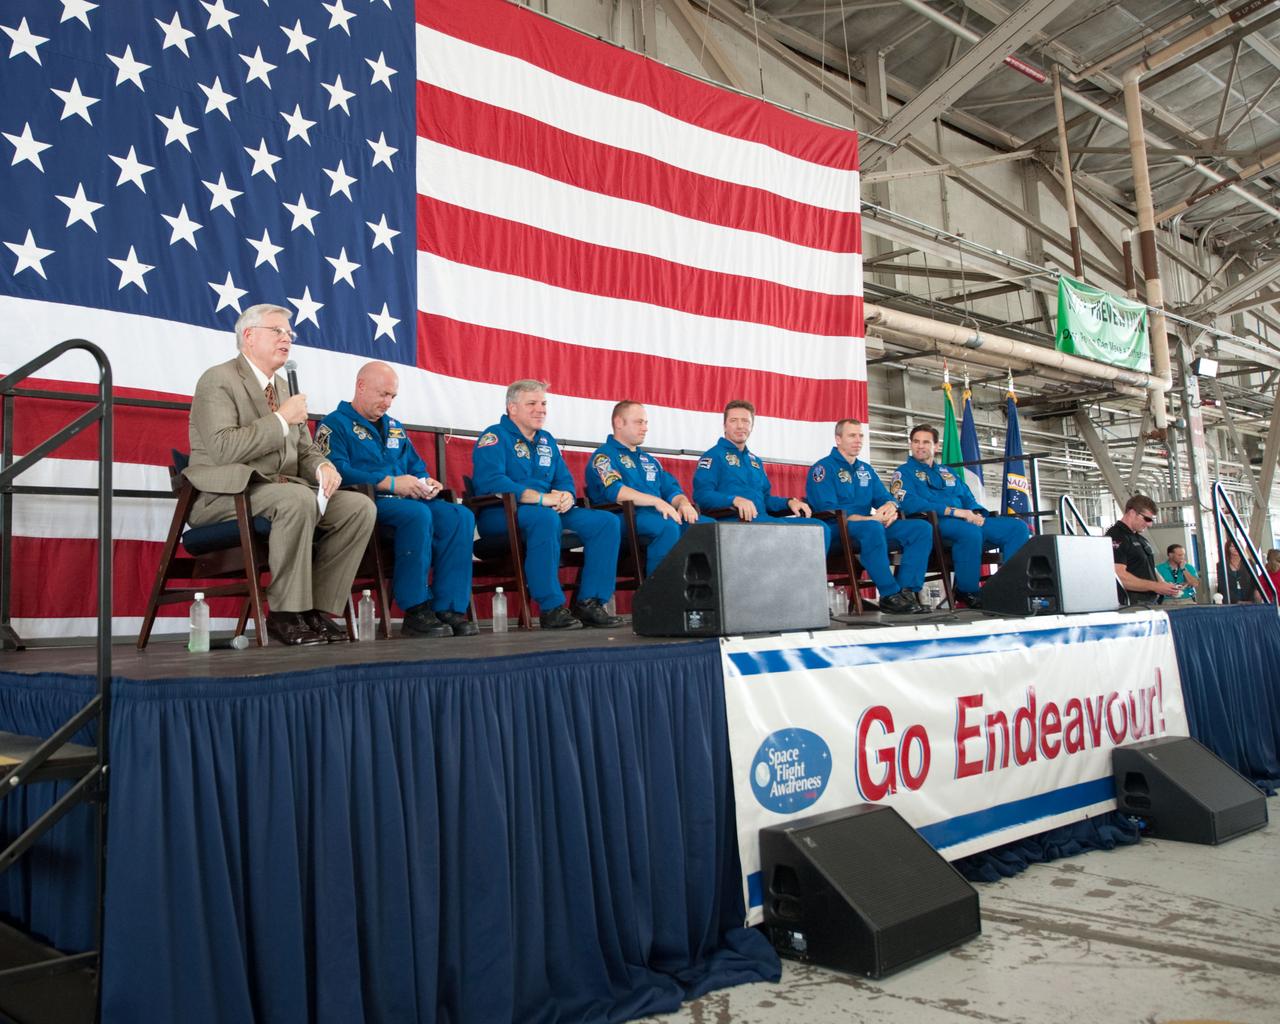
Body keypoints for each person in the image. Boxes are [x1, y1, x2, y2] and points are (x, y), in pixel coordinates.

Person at [185, 304, 376, 645]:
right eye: (277, 331)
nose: (287, 337)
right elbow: (223, 449)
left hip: (281, 490)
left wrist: (323, 466)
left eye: (289, 333)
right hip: (227, 495)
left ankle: (315, 609)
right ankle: (286, 613)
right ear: (248, 336)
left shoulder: (285, 390)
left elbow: (304, 450)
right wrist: (280, 419)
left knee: (358, 508)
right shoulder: (219, 379)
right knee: (297, 499)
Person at [317, 362, 478, 638]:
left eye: (393, 396)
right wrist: (390, 483)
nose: (388, 402)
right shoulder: (334, 424)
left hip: (408, 501)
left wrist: (427, 481)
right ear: (361, 386)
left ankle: (448, 608)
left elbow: (415, 466)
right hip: (367, 503)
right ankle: (415, 608)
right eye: (383, 394)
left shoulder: (395, 427)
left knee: (460, 515)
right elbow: (335, 469)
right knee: (417, 515)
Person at [471, 380, 623, 629]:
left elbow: (563, 479)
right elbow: (492, 482)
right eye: (532, 403)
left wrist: (566, 496)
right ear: (513, 408)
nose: (541, 409)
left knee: (606, 522)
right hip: (503, 513)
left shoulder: (547, 440)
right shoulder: (495, 436)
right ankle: (551, 607)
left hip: (548, 509)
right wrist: (541, 499)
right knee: (545, 519)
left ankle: (590, 602)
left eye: (543, 403)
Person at [891, 424, 1029, 608]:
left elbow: (967, 497)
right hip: (933, 524)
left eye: (926, 442)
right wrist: (955, 512)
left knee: (1017, 527)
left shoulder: (948, 472)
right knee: (969, 532)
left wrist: (977, 513)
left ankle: (1011, 587)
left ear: (936, 446)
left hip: (965, 520)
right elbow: (910, 504)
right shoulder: (903, 472)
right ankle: (968, 590)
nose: (920, 446)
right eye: (916, 442)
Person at [806, 417, 931, 615]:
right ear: (838, 439)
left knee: (921, 529)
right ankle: (889, 595)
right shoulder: (822, 469)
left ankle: (906, 593)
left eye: (861, 436)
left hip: (868, 529)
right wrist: (870, 519)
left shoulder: (866, 469)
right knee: (872, 527)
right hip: (838, 530)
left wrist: (891, 507)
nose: (858, 440)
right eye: (852, 436)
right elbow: (828, 511)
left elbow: (884, 497)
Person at [585, 401, 704, 576]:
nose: (645, 428)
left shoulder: (649, 460)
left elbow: (671, 490)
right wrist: (656, 501)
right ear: (619, 423)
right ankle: (657, 596)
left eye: (646, 423)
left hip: (655, 515)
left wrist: (684, 503)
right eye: (639, 422)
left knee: (704, 526)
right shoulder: (604, 457)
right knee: (667, 526)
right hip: (623, 518)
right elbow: (616, 492)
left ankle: (696, 595)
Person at [692, 400, 831, 550]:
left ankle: (807, 574)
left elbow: (765, 499)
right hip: (735, 523)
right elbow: (702, 495)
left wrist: (789, 502)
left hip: (764, 521)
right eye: (733, 420)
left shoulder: (755, 461)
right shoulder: (713, 456)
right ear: (725, 425)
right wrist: (733, 500)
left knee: (820, 528)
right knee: (781, 531)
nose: (740, 426)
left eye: (745, 421)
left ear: (752, 426)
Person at [1105, 495, 1182, 605]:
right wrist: (1155, 586)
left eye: (1151, 520)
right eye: (1147, 519)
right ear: (1132, 513)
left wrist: (1165, 585)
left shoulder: (1140, 539)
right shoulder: (1116, 536)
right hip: (1131, 604)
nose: (1149, 524)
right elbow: (1118, 575)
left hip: (1149, 602)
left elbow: (1149, 567)